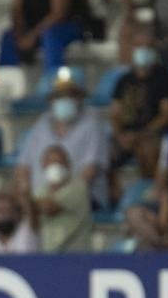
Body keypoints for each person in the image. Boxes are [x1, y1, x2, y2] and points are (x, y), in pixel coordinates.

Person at [14, 76, 109, 208]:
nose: (64, 101)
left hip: (81, 200)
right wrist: (27, 195)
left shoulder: (92, 124)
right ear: (51, 101)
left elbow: (91, 170)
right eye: (59, 97)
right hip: (40, 199)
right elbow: (22, 167)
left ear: (79, 99)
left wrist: (63, 197)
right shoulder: (42, 123)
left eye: (70, 96)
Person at [110, 26, 168, 180]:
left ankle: (150, 191)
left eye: (147, 46)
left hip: (152, 134)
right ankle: (112, 197)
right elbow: (115, 114)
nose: (143, 50)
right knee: (103, 151)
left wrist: (139, 135)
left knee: (148, 148)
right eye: (139, 46)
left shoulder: (166, 78)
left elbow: (167, 114)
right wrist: (120, 135)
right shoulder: (124, 80)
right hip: (127, 135)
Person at [0, 0, 88, 68]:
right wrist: (20, 35)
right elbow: (17, 10)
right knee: (8, 37)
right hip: (35, 27)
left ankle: (53, 78)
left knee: (51, 36)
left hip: (66, 26)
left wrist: (32, 37)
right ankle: (6, 80)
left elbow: (58, 14)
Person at [30, 145, 92, 252]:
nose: (55, 166)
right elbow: (33, 222)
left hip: (75, 255)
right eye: (51, 162)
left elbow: (49, 208)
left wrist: (26, 197)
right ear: (43, 165)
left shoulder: (78, 188)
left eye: (59, 162)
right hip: (48, 254)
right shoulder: (39, 192)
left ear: (68, 165)